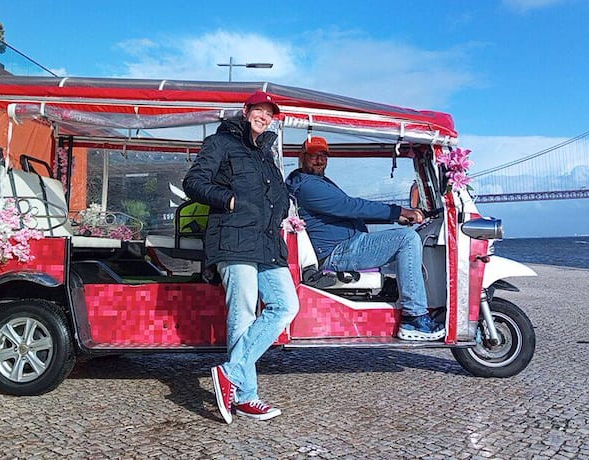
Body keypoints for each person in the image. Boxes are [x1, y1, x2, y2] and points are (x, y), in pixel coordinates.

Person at [182, 91, 299, 423]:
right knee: (243, 315)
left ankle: (230, 373)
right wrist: (229, 200)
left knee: (286, 305)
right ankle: (246, 396)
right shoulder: (221, 142)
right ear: (246, 111)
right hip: (233, 239)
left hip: (266, 243)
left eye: (269, 113)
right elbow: (193, 182)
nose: (264, 117)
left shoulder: (265, 153)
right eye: (259, 110)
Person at [285, 136, 444, 341]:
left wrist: (398, 218)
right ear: (302, 157)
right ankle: (414, 318)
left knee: (403, 242)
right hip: (338, 251)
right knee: (407, 239)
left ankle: (404, 303)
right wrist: (399, 211)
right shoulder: (307, 186)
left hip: (346, 245)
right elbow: (350, 206)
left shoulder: (315, 181)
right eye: (314, 155)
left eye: (324, 156)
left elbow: (345, 211)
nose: (320, 160)